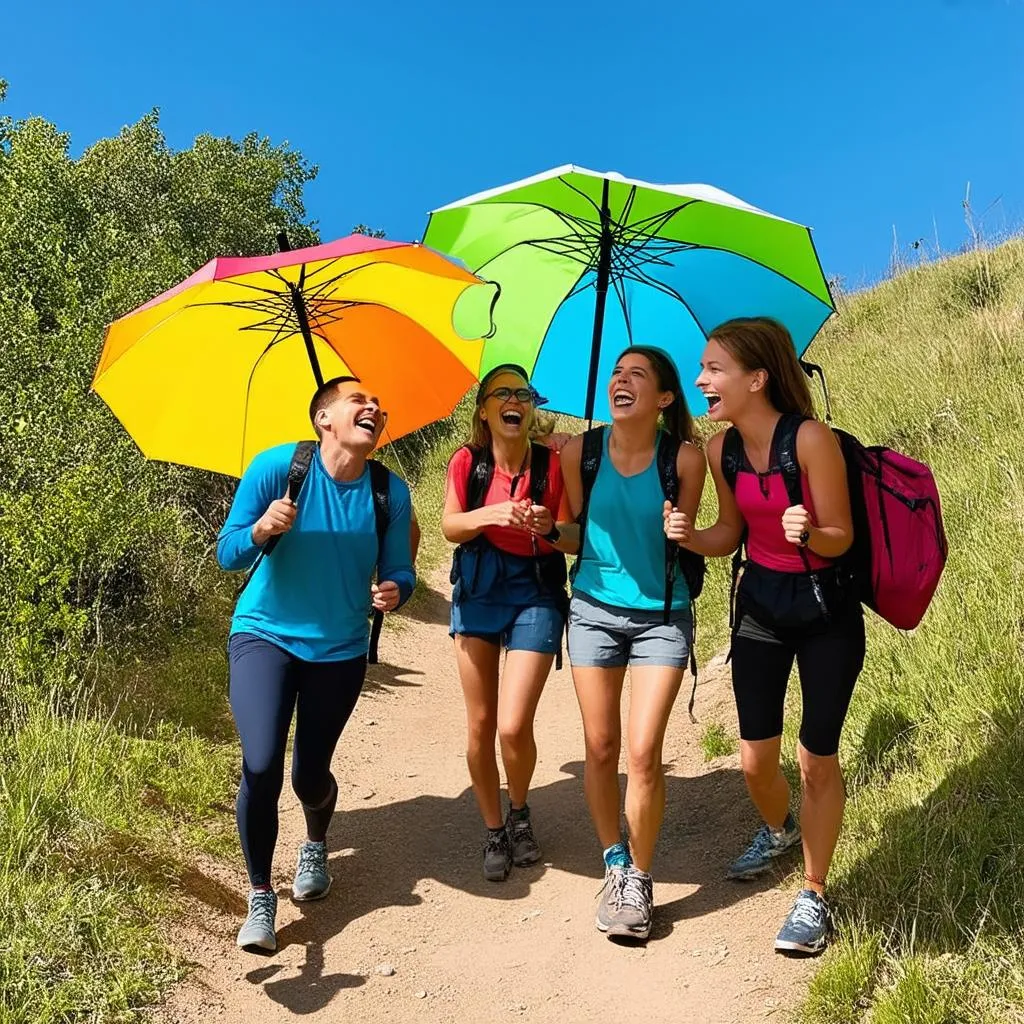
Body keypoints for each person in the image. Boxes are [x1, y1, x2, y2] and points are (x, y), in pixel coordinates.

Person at [679, 316, 863, 956]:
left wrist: (808, 529)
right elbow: (730, 531)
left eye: (713, 369)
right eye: (702, 370)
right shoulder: (719, 450)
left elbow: (842, 536)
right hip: (759, 604)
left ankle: (813, 892)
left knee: (816, 758)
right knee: (756, 759)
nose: (701, 380)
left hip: (823, 610)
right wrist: (691, 538)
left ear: (756, 378)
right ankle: (780, 829)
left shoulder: (810, 440)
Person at [216, 376, 415, 953]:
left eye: (379, 403)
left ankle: (315, 842)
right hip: (264, 633)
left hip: (340, 647)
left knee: (308, 774)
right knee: (260, 765)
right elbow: (229, 554)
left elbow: (401, 568)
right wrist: (259, 529)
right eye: (359, 400)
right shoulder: (279, 469)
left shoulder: (388, 492)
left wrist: (395, 589)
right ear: (323, 418)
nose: (374, 407)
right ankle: (260, 895)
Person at [558, 347, 706, 941]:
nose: (620, 381)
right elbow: (573, 535)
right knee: (600, 746)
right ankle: (614, 862)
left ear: (664, 399)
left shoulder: (685, 459)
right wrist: (549, 528)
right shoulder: (579, 452)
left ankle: (640, 880)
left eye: (636, 376)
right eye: (616, 373)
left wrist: (684, 531)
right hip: (591, 610)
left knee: (643, 752)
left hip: (662, 616)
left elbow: (688, 540)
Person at [441, 364, 574, 881]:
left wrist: (551, 527)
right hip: (477, 590)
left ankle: (520, 811)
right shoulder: (467, 463)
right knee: (480, 723)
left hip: (535, 591)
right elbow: (451, 525)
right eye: (503, 393)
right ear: (485, 409)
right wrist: (491, 516)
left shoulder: (553, 463)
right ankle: (494, 828)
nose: (515, 400)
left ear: (531, 407)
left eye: (523, 392)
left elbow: (574, 536)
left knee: (513, 724)